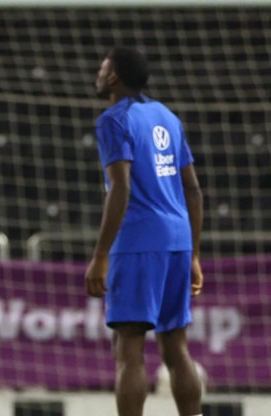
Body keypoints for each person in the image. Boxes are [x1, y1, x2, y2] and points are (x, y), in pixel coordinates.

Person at [86, 47, 205, 416]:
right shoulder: (167, 117)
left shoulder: (113, 120)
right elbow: (193, 190)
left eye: (103, 66)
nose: (99, 71)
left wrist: (101, 256)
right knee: (175, 347)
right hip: (178, 241)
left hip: (139, 243)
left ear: (113, 78)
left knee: (129, 350)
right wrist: (195, 255)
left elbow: (121, 188)